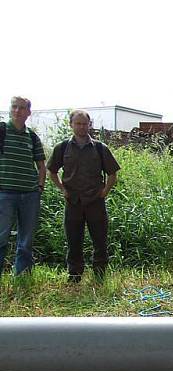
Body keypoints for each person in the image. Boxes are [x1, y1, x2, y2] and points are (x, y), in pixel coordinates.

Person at [47, 109, 120, 283]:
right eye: (78, 123)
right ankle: (74, 275)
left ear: (89, 125)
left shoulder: (100, 148)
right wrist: (62, 189)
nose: (81, 127)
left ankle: (100, 275)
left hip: (95, 201)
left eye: (84, 124)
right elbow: (51, 171)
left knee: (100, 240)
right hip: (73, 202)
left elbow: (112, 174)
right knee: (74, 241)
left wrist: (104, 191)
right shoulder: (62, 147)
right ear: (71, 124)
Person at [0, 96, 46, 275]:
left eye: (22, 108)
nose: (17, 111)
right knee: (1, 237)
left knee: (26, 240)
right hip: (4, 193)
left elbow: (41, 166)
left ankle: (22, 276)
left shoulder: (32, 137)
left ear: (28, 112)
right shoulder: (2, 130)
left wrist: (39, 188)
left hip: (29, 195)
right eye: (14, 107)